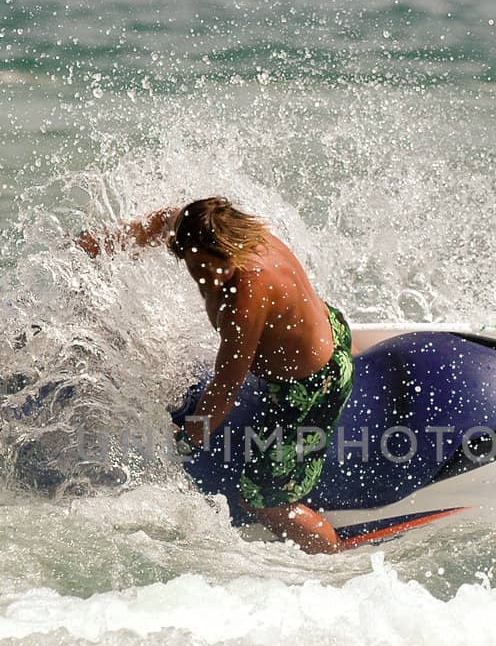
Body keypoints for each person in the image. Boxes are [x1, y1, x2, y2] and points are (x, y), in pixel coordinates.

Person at [77, 198, 353, 553]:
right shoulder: (210, 229)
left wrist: (186, 441)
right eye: (197, 268)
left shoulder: (246, 293)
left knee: (262, 500)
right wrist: (98, 246)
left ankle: (334, 558)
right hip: (326, 328)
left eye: (214, 267)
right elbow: (164, 219)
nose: (207, 278)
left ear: (230, 250)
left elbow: (225, 386)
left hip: (312, 388)